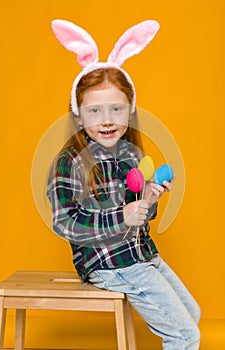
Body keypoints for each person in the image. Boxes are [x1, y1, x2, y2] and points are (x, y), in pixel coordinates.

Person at [47, 19, 200, 349]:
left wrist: (149, 197)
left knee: (193, 314)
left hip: (140, 255)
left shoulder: (129, 154)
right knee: (185, 336)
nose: (106, 119)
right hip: (109, 264)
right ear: (78, 115)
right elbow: (64, 222)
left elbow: (139, 213)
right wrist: (121, 217)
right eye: (95, 111)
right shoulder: (70, 161)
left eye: (116, 109)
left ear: (129, 111)